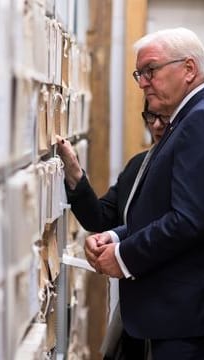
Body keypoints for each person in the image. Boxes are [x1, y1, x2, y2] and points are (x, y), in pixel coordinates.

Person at [84, 27, 204, 359]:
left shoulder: (203, 121)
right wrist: (117, 238)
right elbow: (170, 209)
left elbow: (190, 220)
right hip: (187, 319)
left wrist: (124, 257)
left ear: (189, 69)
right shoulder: (191, 119)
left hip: (196, 323)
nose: (143, 83)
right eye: (139, 74)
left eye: (151, 70)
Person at [56, 103, 169, 360]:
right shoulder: (139, 166)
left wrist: (120, 246)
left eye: (165, 117)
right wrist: (73, 171)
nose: (157, 125)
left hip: (171, 312)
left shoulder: (185, 168)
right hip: (135, 313)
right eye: (151, 117)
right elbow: (101, 217)